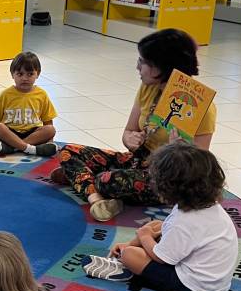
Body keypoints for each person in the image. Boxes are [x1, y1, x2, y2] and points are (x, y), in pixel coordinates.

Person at [55, 28, 217, 221]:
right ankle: (97, 199)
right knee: (68, 151)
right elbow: (129, 131)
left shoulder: (202, 108)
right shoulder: (148, 88)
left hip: (168, 176)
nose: (137, 67)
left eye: (143, 62)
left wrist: (178, 151)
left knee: (107, 180)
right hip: (139, 159)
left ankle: (85, 181)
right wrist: (129, 138)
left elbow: (197, 171)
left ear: (161, 66)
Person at [87, 141, 238, 291]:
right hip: (214, 279)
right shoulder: (205, 205)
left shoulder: (185, 222)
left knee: (130, 254)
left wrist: (144, 236)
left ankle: (129, 268)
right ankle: (128, 251)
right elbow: (171, 232)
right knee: (156, 225)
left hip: (193, 285)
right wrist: (139, 238)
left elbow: (161, 258)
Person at [0, 51, 58, 158]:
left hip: (32, 133)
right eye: (20, 74)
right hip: (10, 132)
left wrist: (49, 140)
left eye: (30, 74)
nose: (25, 78)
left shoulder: (42, 94)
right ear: (12, 74)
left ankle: (14, 147)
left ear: (38, 74)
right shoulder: (5, 95)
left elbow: (48, 120)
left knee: (50, 129)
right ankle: (32, 149)